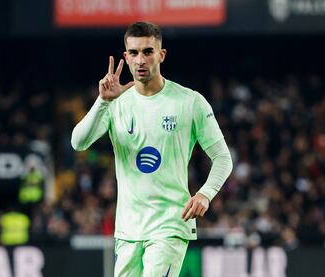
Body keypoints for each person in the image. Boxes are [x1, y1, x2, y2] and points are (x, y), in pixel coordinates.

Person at [71, 21, 232, 277]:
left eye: (148, 51)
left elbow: (223, 157)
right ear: (126, 56)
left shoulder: (189, 102)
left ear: (161, 54)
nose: (140, 60)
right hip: (128, 229)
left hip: (170, 224)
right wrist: (102, 101)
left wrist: (205, 194)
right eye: (133, 53)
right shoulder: (115, 103)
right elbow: (78, 143)